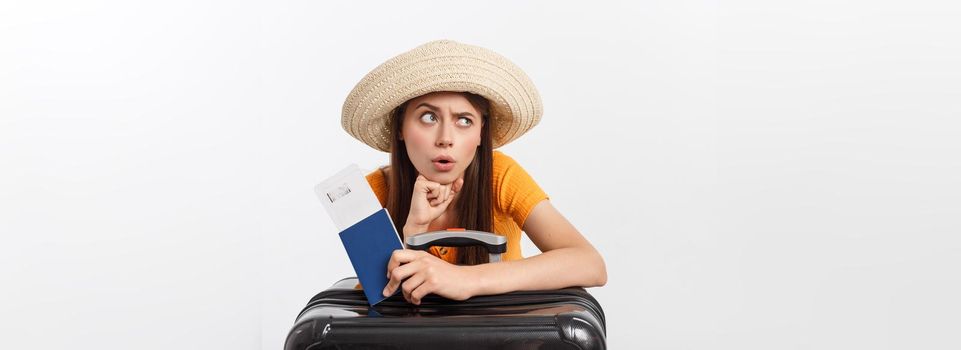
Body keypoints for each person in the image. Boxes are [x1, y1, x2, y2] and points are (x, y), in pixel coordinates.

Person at [340, 40, 606, 305]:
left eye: (464, 121)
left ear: (481, 133)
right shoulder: (367, 194)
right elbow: (377, 315)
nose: (446, 138)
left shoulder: (501, 175)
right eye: (428, 117)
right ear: (400, 128)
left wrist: (466, 279)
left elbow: (590, 264)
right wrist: (413, 232)